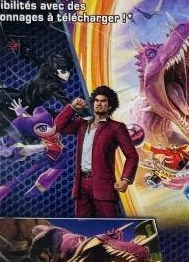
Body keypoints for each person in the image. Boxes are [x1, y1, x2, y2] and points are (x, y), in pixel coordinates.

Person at [51, 86, 139, 217]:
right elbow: (57, 128)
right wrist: (72, 107)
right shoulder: (82, 124)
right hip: (81, 184)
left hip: (103, 185)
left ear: (110, 106)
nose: (99, 103)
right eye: (97, 100)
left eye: (103, 101)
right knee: (82, 224)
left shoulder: (116, 128)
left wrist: (125, 180)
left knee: (111, 224)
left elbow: (132, 156)